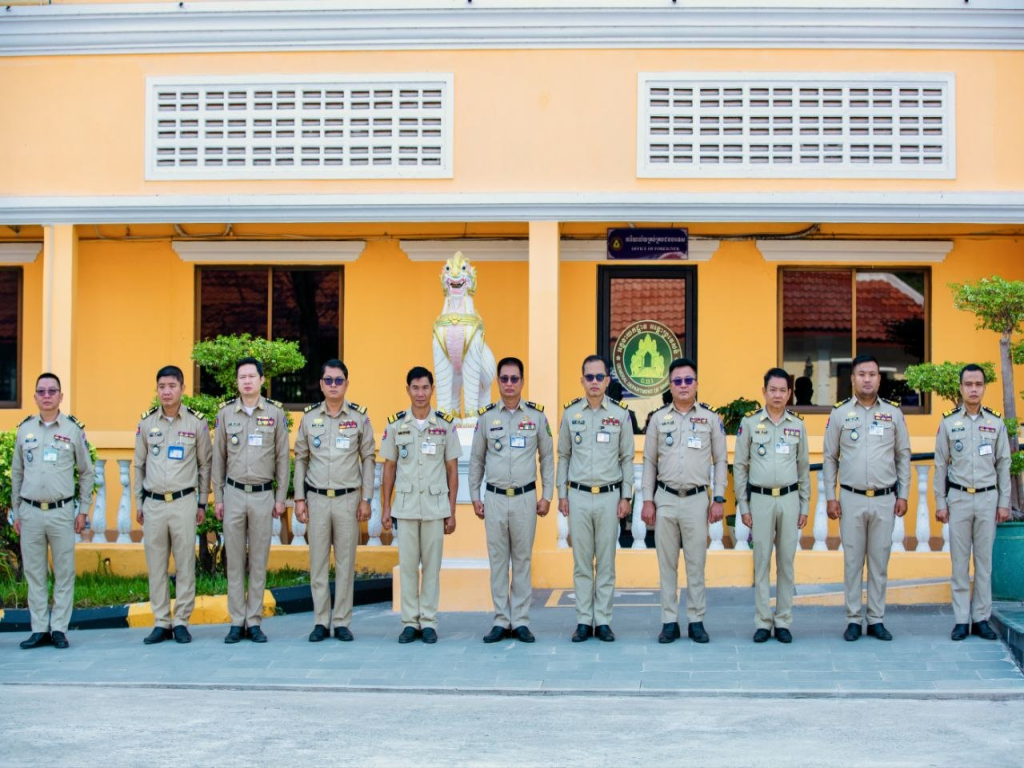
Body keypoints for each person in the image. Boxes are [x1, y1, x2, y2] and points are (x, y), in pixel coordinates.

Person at [823, 354, 911, 642]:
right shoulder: (840, 414)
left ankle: (876, 619)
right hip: (851, 498)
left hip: (885, 498)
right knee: (852, 562)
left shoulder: (893, 414)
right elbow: (830, 457)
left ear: (879, 379)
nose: (867, 379)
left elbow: (903, 456)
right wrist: (831, 496)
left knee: (879, 562)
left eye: (872, 374)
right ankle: (852, 619)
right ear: (852, 379)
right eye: (862, 374)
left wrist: (903, 494)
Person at [640, 358, 727, 644]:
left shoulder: (711, 419)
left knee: (695, 563)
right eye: (677, 381)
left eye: (688, 380)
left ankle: (696, 620)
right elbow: (649, 461)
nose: (683, 386)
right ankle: (669, 622)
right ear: (670, 385)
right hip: (665, 498)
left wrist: (718, 498)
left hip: (696, 500)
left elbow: (721, 460)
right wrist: (647, 500)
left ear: (697, 383)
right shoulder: (657, 419)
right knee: (667, 565)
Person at [469, 357, 554, 643]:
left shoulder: (536, 417)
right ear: (498, 381)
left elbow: (547, 458)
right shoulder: (486, 418)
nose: (509, 384)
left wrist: (547, 495)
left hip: (524, 498)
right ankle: (500, 620)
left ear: (522, 381)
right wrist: (474, 495)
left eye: (514, 378)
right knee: (497, 562)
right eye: (504, 378)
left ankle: (520, 621)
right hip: (494, 498)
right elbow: (476, 459)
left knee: (522, 561)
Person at [293, 359, 376, 643]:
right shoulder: (309, 418)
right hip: (316, 499)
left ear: (346, 384)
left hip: (347, 500)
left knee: (345, 563)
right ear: (321, 384)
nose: (333, 385)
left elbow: (368, 458)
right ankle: (320, 621)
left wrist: (366, 498)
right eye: (328, 380)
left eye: (338, 380)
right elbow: (301, 459)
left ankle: (341, 621)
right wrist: (299, 498)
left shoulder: (359, 417)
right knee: (317, 564)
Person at [10, 373, 95, 650]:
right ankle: (39, 629)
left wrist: (83, 510)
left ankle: (58, 628)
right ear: (35, 397)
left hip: (61, 512)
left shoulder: (73, 430)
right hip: (30, 512)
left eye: (52, 391)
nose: (46, 396)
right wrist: (16, 512)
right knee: (34, 573)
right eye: (41, 391)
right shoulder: (24, 430)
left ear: (61, 396)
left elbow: (86, 472)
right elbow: (17, 474)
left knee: (64, 572)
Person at [380, 367, 461, 644]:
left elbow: (452, 470)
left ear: (432, 390)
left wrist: (451, 511)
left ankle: (428, 621)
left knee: (431, 568)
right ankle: (409, 622)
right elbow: (389, 469)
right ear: (408, 390)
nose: (420, 393)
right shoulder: (396, 425)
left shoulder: (445, 425)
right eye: (415, 387)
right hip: (405, 507)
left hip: (435, 507)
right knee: (407, 567)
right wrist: (386, 508)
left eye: (425, 387)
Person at [212, 357, 290, 644]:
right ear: (237, 382)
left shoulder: (275, 413)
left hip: (263, 495)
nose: (247, 381)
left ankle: (254, 621)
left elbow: (283, 458)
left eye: (251, 376)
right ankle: (237, 621)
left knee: (258, 561)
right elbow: (218, 459)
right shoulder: (225, 414)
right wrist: (218, 497)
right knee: (234, 561)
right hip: (233, 494)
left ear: (261, 380)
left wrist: (280, 497)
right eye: (242, 377)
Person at [556, 355, 634, 643]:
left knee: (606, 563)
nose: (594, 382)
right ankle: (583, 620)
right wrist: (562, 494)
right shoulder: (570, 414)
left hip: (608, 497)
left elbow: (627, 458)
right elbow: (563, 456)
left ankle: (602, 620)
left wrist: (626, 496)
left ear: (607, 380)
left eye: (599, 377)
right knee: (581, 563)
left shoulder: (620, 415)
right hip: (578, 496)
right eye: (589, 377)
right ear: (582, 380)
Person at [133, 365, 212, 645]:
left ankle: (181, 621)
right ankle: (161, 622)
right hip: (154, 503)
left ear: (182, 389)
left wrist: (202, 502)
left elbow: (205, 465)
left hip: (184, 502)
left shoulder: (196, 423)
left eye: (172, 386)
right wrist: (139, 502)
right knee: (156, 565)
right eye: (161, 387)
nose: (166, 392)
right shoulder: (146, 423)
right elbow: (139, 465)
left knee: (185, 564)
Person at [933, 364, 1011, 641]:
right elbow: (940, 465)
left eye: (978, 384)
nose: (973, 389)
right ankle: (960, 620)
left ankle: (981, 619)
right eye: (968, 384)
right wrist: (940, 502)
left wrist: (1004, 502)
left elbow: (1004, 465)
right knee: (959, 562)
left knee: (984, 563)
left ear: (984, 387)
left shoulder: (996, 423)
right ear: (961, 388)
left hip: (988, 498)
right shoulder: (948, 423)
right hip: (959, 499)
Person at [733, 368, 810, 643]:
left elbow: (803, 468)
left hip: (789, 499)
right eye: (773, 390)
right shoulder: (750, 423)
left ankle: (784, 620)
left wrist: (804, 505)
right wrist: (744, 506)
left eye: (783, 390)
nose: (778, 395)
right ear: (764, 391)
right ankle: (763, 621)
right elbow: (740, 467)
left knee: (786, 562)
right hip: (761, 500)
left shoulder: (797, 425)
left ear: (789, 393)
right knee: (762, 561)